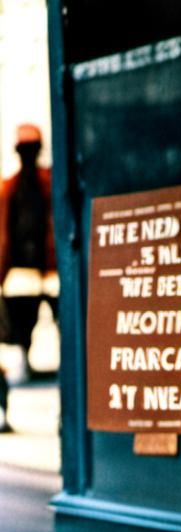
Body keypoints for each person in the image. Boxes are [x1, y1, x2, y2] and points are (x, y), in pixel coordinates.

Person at [0, 122, 57, 409]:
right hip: (23, 271)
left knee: (60, 317)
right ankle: (24, 357)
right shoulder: (11, 188)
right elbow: (5, 234)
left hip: (50, 269)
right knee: (21, 322)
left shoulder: (49, 183)